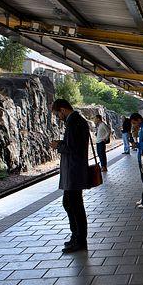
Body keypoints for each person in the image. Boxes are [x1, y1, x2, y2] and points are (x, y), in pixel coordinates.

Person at [49, 99, 90, 253]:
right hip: (74, 170)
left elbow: (72, 147)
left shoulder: (73, 122)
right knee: (69, 203)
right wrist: (62, 142)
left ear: (63, 109)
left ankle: (80, 240)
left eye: (57, 114)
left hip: (74, 171)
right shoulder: (77, 121)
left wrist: (58, 145)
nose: (58, 117)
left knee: (74, 205)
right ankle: (76, 237)